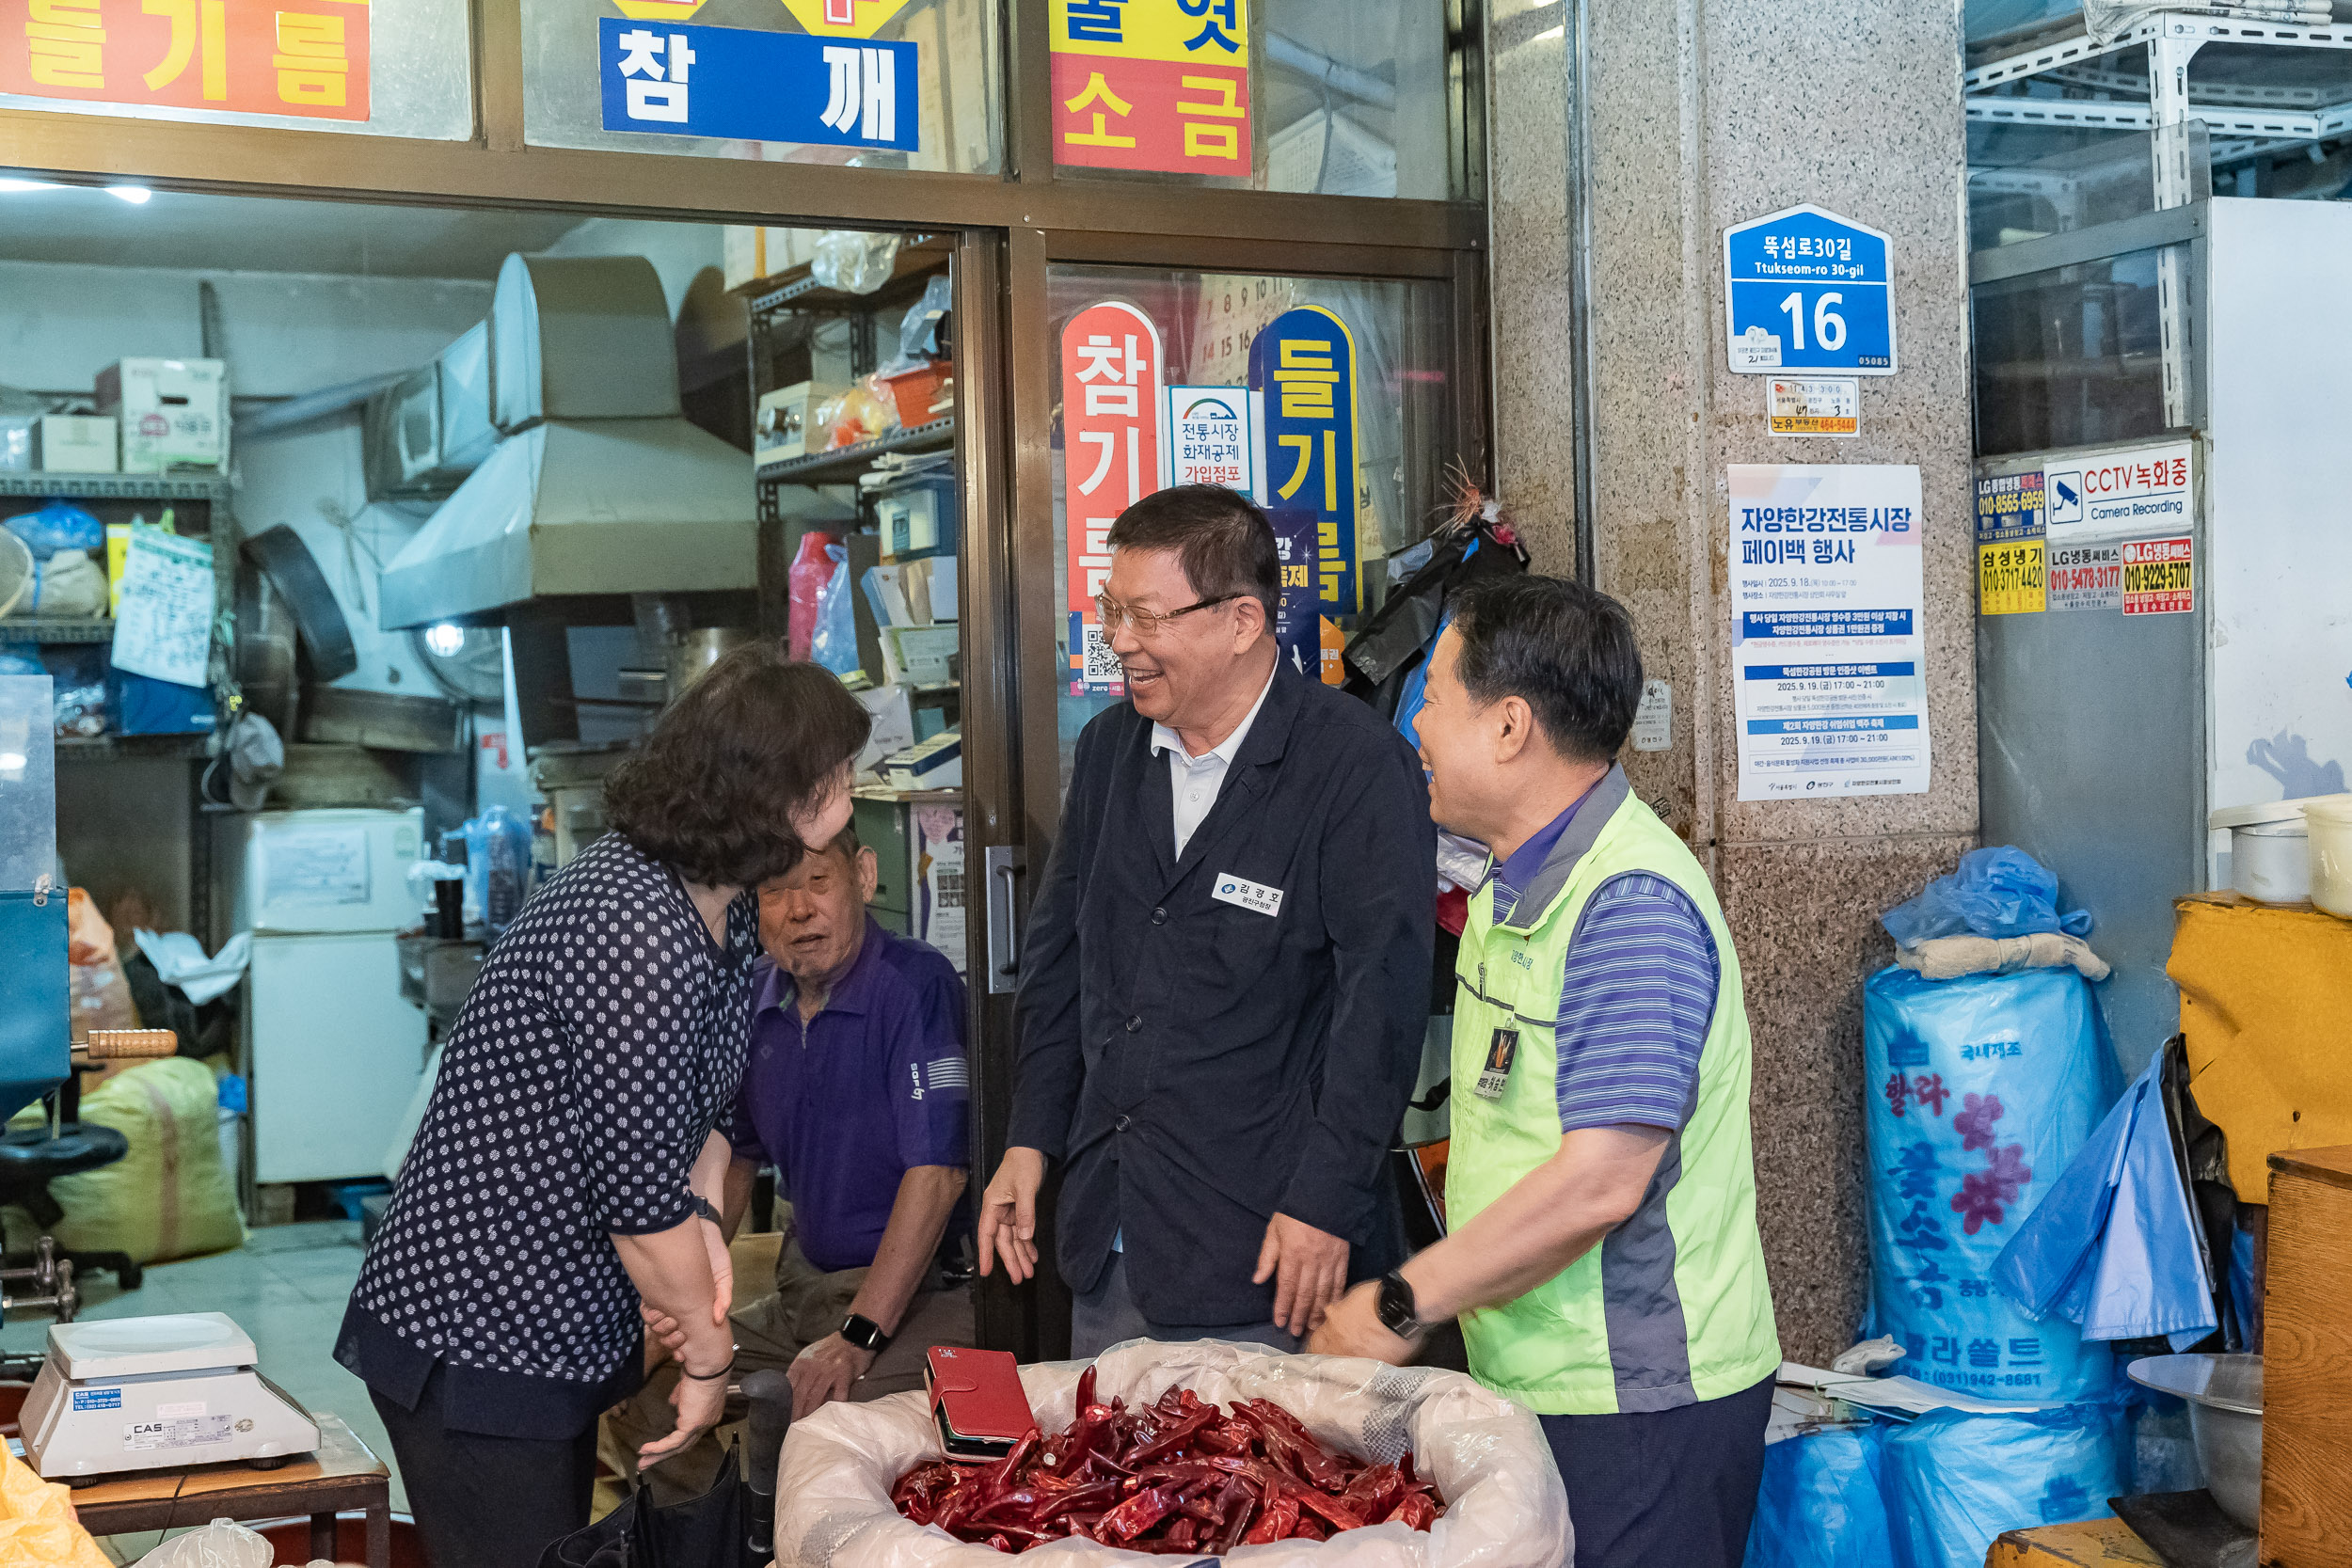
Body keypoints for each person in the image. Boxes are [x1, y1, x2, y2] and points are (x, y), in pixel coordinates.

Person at [336, 645, 871, 1568]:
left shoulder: (721, 907)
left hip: (556, 1330)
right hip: (479, 1335)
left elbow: (695, 1120)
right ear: (773, 797)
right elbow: (634, 1197)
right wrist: (704, 1358)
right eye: (839, 773)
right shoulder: (635, 926)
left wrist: (698, 1246)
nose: (851, 792)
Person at [1308, 575, 1782, 1568]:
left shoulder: (1627, 902)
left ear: (1511, 724)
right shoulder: (1513, 879)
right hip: (1542, 1380)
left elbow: (1601, 1179)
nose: (1416, 725)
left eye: (1432, 694)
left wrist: (1401, 1300)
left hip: (1639, 1401)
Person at [977, 483, 1433, 1354]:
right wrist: (1031, 1139)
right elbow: (1060, 961)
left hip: (1272, 1250)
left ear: (1242, 621)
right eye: (1114, 612)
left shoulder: (1354, 766)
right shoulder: (1111, 749)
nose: (1120, 642)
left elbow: (1382, 1006)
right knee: (1114, 1484)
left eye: (1147, 618)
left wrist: (1325, 1199)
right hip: (1114, 1237)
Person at [605, 820, 974, 1502]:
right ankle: (726, 1547)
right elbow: (734, 1162)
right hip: (804, 1287)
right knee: (637, 1386)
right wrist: (681, 1306)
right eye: (775, 891)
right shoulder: (753, 997)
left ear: (862, 876)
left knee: (835, 1432)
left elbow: (939, 1173)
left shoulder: (914, 983)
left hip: (920, 1294)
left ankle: (792, 1534)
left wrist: (859, 1332)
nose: (799, 908)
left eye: (817, 881)